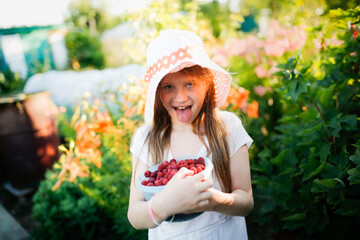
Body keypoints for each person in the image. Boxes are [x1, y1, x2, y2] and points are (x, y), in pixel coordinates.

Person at [128, 29, 254, 240]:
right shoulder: (147, 140)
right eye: (168, 86)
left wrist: (214, 201)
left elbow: (246, 202)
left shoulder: (228, 128)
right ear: (158, 92)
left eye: (189, 84)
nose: (181, 97)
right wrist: (164, 204)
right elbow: (135, 215)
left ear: (206, 84)